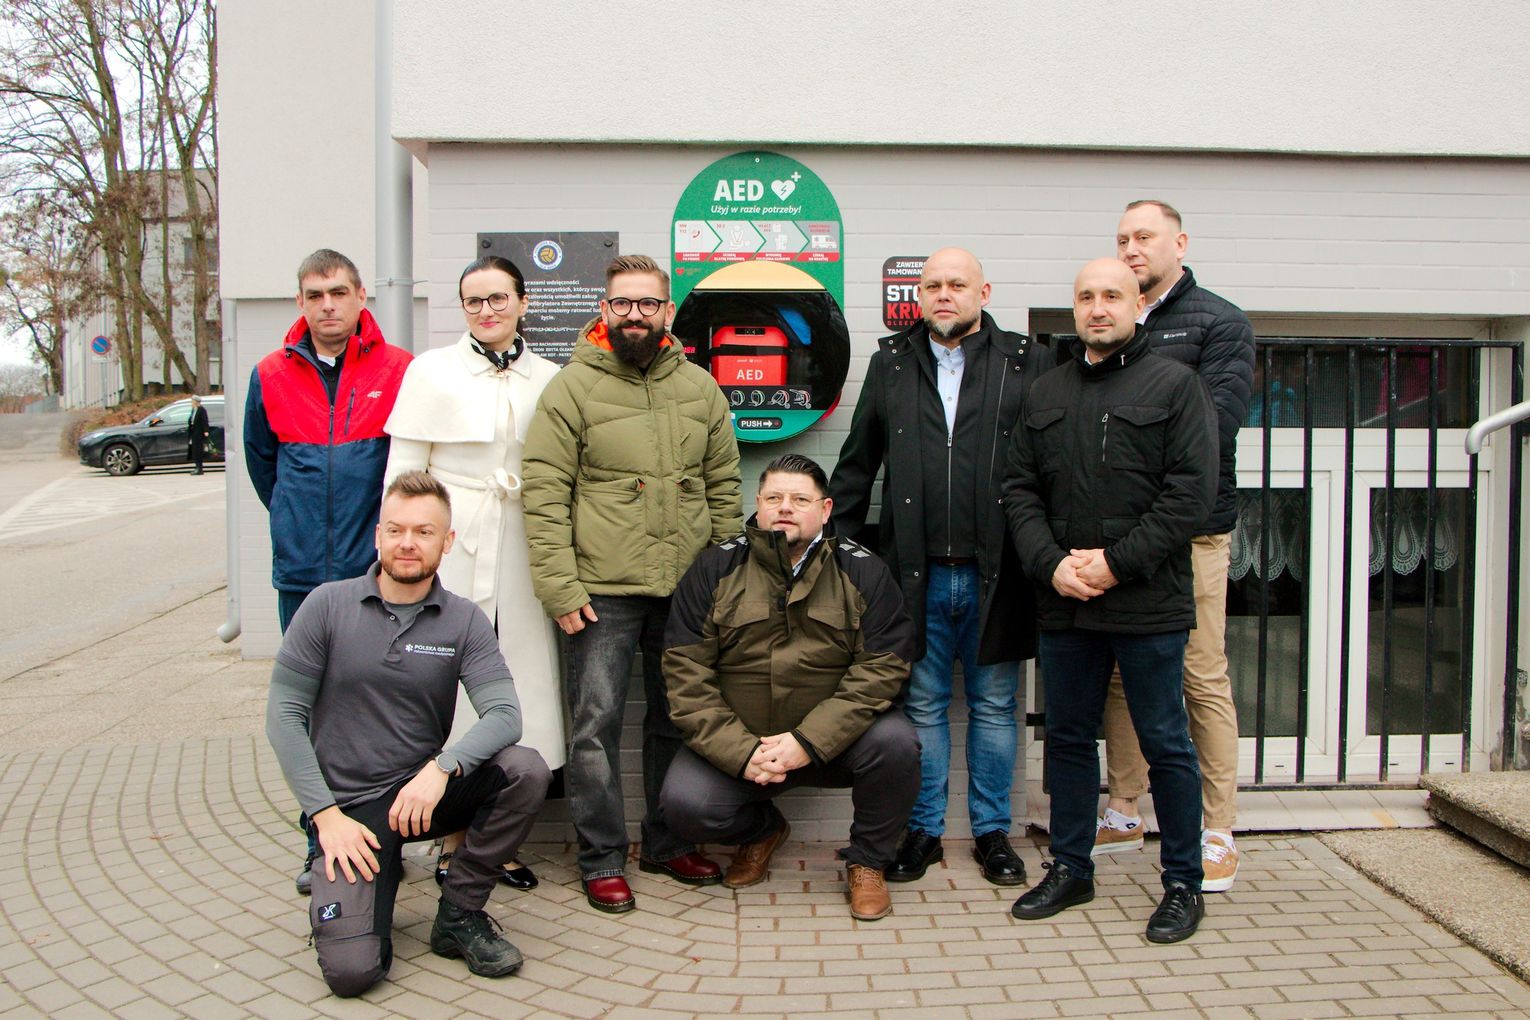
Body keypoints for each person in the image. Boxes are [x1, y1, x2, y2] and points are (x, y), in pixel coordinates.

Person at [265, 471, 550, 997]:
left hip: (420, 797)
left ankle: (459, 914)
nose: (408, 543)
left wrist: (443, 768)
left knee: (526, 770)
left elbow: (505, 715)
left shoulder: (463, 620)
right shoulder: (326, 605)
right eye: (396, 530)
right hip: (351, 814)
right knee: (352, 973)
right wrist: (325, 817)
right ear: (378, 536)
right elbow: (283, 715)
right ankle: (365, 887)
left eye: (424, 532)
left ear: (447, 541)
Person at [1003, 258, 1217, 944]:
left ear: (1137, 305)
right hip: (1067, 601)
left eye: (1112, 296)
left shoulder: (1176, 386)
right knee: (1068, 739)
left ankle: (1183, 883)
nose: (1098, 308)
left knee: (1165, 742)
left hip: (1148, 601)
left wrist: (1115, 565)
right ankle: (1071, 868)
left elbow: (1190, 495)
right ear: (1075, 307)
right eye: (1086, 297)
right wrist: (1051, 565)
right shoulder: (1046, 391)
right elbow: (1019, 489)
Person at [523, 254, 742, 913]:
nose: (635, 315)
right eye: (623, 303)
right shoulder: (571, 389)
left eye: (648, 304)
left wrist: (725, 578)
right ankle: (601, 857)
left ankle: (668, 844)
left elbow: (724, 489)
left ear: (667, 311)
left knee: (676, 721)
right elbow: (544, 493)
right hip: (602, 591)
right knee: (594, 726)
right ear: (605, 310)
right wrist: (561, 588)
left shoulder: (700, 389)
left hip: (686, 590)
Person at [829, 247, 1051, 887]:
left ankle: (992, 834)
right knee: (922, 706)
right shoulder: (891, 364)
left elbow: (1051, 462)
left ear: (984, 291)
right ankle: (923, 832)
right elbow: (856, 464)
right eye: (933, 286)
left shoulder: (1024, 361)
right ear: (919, 296)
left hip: (997, 573)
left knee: (995, 705)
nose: (944, 294)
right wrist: (836, 557)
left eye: (957, 284)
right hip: (914, 574)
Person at [661, 454, 919, 920]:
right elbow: (686, 672)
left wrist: (808, 741)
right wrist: (740, 751)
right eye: (774, 497)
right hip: (746, 745)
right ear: (758, 504)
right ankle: (762, 832)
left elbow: (883, 668)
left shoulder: (863, 571)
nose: (785, 507)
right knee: (684, 806)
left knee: (897, 743)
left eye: (800, 499)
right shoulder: (715, 568)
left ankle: (867, 862)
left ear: (825, 508)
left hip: (835, 745)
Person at [385, 256, 562, 892]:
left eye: (498, 298)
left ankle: (497, 839)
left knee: (521, 684)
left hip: (523, 542)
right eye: (473, 301)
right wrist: (408, 548)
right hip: (453, 542)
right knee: (450, 682)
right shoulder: (430, 371)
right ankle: (448, 837)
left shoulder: (549, 376)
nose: (486, 311)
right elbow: (404, 473)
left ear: (522, 302)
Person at [1095, 201, 1255, 892]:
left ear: (1179, 243)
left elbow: (1212, 427)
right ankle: (1124, 811)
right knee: (1121, 674)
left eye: (1144, 237)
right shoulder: (1118, 321)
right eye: (1122, 238)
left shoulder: (1219, 323)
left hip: (1192, 533)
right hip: (1121, 538)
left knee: (1199, 675)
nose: (1131, 248)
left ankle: (1218, 831)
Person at [245, 248, 412, 895]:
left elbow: (405, 466)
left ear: (361, 295)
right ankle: (321, 840)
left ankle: (385, 836)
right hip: (302, 576)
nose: (327, 305)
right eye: (315, 295)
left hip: (374, 573)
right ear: (300, 302)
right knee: (312, 711)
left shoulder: (397, 369)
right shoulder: (269, 374)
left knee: (382, 703)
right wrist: (298, 524)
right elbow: (264, 465)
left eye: (338, 292)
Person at [187, 395, 210, 475]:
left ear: (196, 402)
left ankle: (199, 468)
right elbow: (191, 421)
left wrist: (206, 431)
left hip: (199, 433)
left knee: (199, 451)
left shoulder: (201, 410)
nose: (191, 403)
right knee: (195, 451)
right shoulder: (194, 410)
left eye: (192, 401)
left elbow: (205, 421)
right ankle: (197, 467)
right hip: (193, 433)